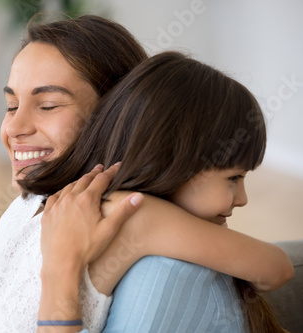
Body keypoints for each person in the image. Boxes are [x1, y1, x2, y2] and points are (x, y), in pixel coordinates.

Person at [0, 16, 293, 332]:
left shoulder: (131, 214)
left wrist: (62, 269)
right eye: (10, 105)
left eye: (48, 104)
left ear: (115, 113)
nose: (14, 126)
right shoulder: (35, 202)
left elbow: (274, 267)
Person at [31, 51, 291, 332]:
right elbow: (278, 269)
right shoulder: (134, 216)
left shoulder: (89, 208)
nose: (243, 199)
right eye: (234, 177)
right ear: (172, 162)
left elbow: (278, 269)